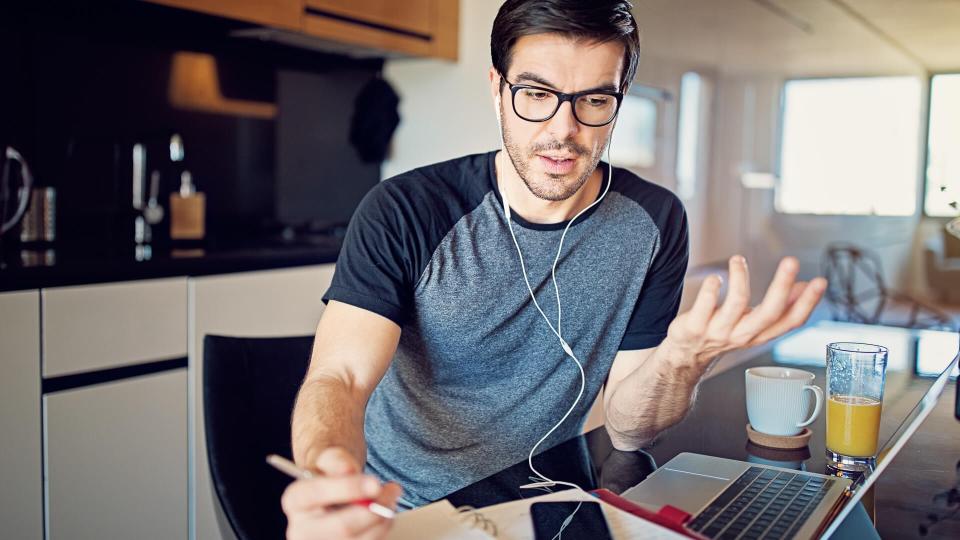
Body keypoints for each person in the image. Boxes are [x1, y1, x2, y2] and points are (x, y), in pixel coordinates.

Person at [280, 1, 827, 538]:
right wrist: (329, 470)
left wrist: (683, 361)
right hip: (413, 510)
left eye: (593, 99)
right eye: (536, 94)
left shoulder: (654, 221)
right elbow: (341, 378)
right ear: (497, 89)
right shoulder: (405, 209)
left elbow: (630, 431)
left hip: (562, 501)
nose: (563, 129)